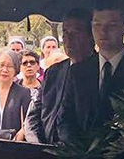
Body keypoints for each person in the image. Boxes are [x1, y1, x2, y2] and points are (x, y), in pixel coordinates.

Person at [56, 1, 124, 144]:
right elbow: (65, 119)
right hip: (79, 158)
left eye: (111, 25)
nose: (103, 31)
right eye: (97, 25)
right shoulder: (78, 71)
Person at [25, 8, 96, 145]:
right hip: (43, 150)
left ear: (91, 35)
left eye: (76, 32)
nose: (68, 39)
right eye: (65, 32)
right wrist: (36, 145)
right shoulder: (53, 72)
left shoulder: (100, 71)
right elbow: (34, 114)